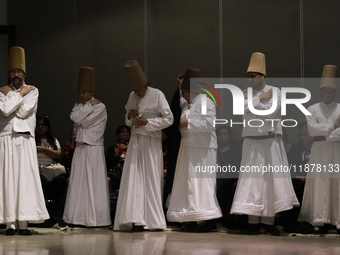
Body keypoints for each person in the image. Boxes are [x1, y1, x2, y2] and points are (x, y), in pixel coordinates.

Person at [230, 52, 299, 235]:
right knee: (252, 181)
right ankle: (253, 221)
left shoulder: (276, 92)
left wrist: (252, 106)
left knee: (270, 181)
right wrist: (260, 99)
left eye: (253, 77)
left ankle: (268, 221)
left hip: (270, 142)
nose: (250, 80)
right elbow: (240, 110)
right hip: (252, 142)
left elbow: (272, 113)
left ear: (262, 76)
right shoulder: (246, 94)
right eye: (249, 77)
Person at [114, 60, 173, 231]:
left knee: (150, 178)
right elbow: (127, 119)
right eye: (134, 90)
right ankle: (134, 217)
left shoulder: (157, 94)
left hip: (151, 142)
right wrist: (130, 116)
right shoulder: (132, 96)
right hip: (135, 141)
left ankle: (151, 220)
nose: (137, 93)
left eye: (139, 89)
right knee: (133, 178)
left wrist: (148, 122)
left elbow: (169, 119)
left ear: (145, 85)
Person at [0, 46, 49, 235]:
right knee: (8, 180)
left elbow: (21, 112)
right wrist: (19, 94)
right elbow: (5, 111)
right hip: (6, 138)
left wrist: (14, 96)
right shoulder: (3, 91)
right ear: (9, 74)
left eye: (18, 71)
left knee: (25, 180)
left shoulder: (33, 91)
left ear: (24, 73)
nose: (16, 74)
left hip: (25, 138)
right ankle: (10, 224)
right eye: (13, 71)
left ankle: (24, 224)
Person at [166, 68, 222, 232]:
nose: (182, 95)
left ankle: (207, 219)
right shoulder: (189, 104)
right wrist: (181, 85)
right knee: (187, 184)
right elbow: (180, 102)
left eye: (184, 92)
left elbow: (209, 124)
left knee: (202, 183)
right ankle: (190, 217)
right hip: (188, 148)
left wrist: (187, 124)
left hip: (202, 149)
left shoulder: (206, 101)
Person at [63, 67, 111, 227]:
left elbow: (84, 122)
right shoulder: (81, 106)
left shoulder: (100, 106)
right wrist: (85, 108)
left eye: (85, 92)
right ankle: (76, 217)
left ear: (91, 91)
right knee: (78, 183)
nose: (82, 95)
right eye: (80, 92)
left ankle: (96, 218)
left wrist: (86, 107)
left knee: (93, 182)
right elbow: (75, 118)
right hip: (81, 148)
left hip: (93, 147)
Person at [299, 65, 340, 234]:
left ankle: (336, 220)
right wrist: (333, 126)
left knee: (336, 183)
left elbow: (323, 132)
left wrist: (325, 133)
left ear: (334, 92)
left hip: (336, 150)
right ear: (321, 92)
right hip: (318, 151)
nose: (328, 94)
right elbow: (311, 130)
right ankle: (319, 220)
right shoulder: (312, 109)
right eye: (325, 91)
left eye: (331, 91)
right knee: (320, 182)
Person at [215, 125, 242, 228]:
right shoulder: (214, 150)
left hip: (230, 178)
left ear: (229, 136)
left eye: (225, 134)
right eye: (220, 134)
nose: (222, 137)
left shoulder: (234, 151)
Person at [36, 115, 66, 204]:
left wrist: (43, 149)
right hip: (39, 169)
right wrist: (49, 152)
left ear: (48, 127)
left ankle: (55, 204)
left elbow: (57, 154)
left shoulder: (53, 140)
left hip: (52, 169)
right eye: (38, 125)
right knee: (39, 180)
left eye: (42, 125)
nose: (40, 127)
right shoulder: (32, 140)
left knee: (61, 179)